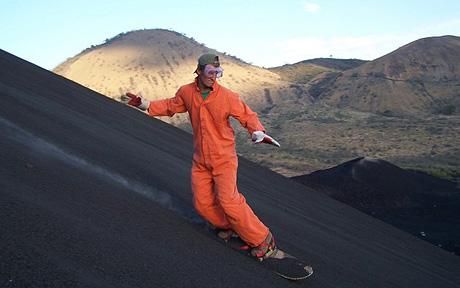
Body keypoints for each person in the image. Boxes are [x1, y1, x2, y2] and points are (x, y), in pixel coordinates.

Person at [121, 53, 280, 259]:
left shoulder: (228, 97)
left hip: (224, 158)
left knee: (229, 200)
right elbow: (171, 106)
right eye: (211, 72)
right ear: (199, 71)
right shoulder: (187, 92)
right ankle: (228, 226)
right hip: (201, 159)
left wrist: (257, 131)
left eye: (218, 73)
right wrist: (144, 104)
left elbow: (247, 115)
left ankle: (263, 240)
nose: (214, 77)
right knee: (202, 203)